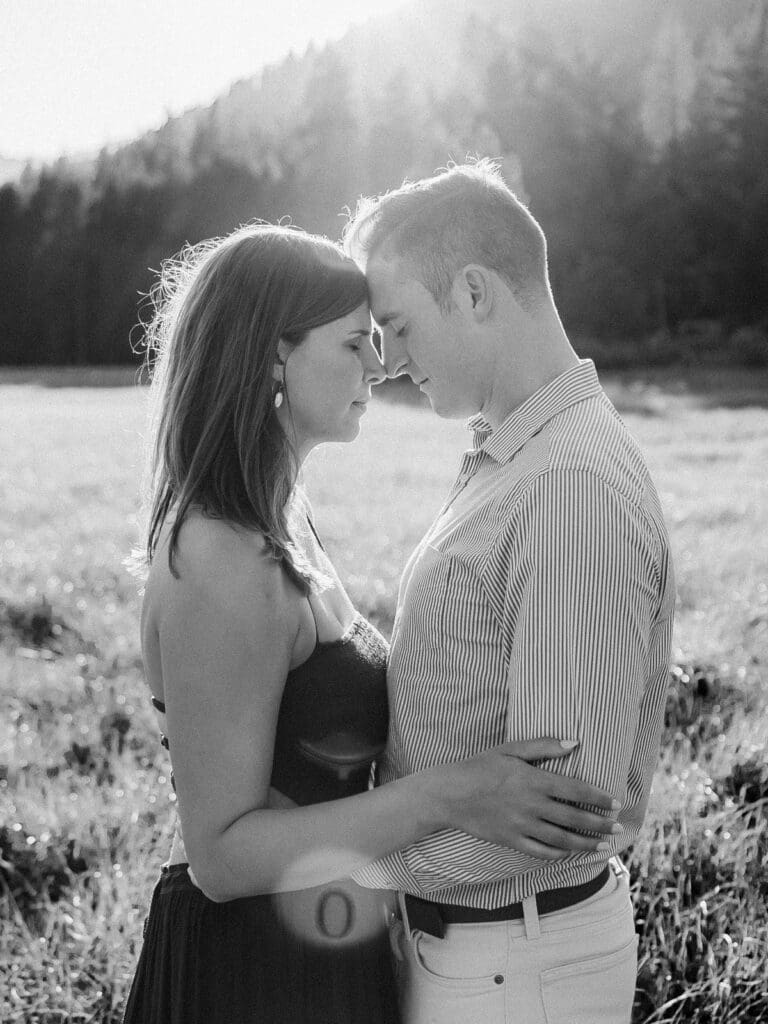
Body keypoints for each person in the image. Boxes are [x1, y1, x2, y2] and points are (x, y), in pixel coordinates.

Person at [121, 222, 622, 1024]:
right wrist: (449, 796)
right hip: (249, 970)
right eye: (355, 343)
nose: (379, 365)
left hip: (322, 939)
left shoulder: (280, 524)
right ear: (272, 356)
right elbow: (220, 856)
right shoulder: (218, 564)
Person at [343, 161, 676, 1024]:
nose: (388, 364)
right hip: (486, 961)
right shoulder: (519, 458)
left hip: (517, 972)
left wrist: (350, 854)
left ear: (476, 291)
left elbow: (565, 810)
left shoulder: (568, 486)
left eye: (400, 325)